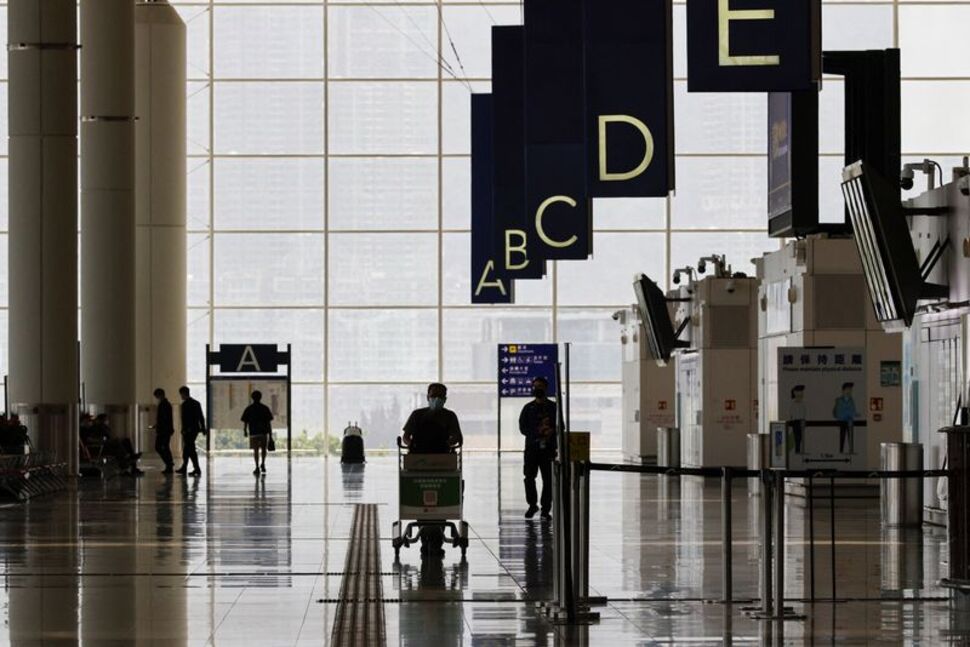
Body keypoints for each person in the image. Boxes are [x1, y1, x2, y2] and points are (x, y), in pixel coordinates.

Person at [402, 383, 463, 557]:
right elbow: (406, 436)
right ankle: (426, 538)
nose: (436, 399)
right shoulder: (417, 415)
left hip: (443, 461)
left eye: (440, 396)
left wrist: (448, 443)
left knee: (441, 500)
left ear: (445, 398)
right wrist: (411, 444)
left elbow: (457, 437)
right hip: (419, 462)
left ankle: (435, 538)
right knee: (421, 501)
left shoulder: (450, 416)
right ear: (428, 396)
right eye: (433, 395)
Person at [519, 376, 557, 520]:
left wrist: (550, 434)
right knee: (529, 478)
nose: (537, 389)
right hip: (532, 449)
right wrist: (537, 433)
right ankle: (532, 504)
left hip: (548, 449)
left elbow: (560, 427)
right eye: (535, 386)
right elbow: (522, 428)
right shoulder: (528, 408)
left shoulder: (553, 408)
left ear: (546, 388)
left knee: (548, 480)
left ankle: (546, 509)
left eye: (540, 386)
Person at [241, 390, 273, 475]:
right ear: (260, 397)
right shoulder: (265, 408)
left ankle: (256, 467)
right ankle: (263, 463)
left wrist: (245, 430)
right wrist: (270, 434)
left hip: (253, 432)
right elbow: (268, 423)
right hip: (263, 432)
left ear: (252, 398)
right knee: (263, 449)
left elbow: (245, 421)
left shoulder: (249, 409)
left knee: (255, 450)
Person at [176, 386, 206, 477]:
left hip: (188, 430)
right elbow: (201, 417)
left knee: (190, 449)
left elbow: (185, 419)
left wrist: (184, 429)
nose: (181, 396)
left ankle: (195, 468)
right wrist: (203, 428)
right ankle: (189, 467)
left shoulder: (185, 405)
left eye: (181, 394)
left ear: (183, 393)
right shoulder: (197, 403)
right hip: (195, 429)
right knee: (188, 449)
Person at [152, 388, 175, 474]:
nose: (156, 398)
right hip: (166, 430)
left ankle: (169, 463)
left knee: (159, 447)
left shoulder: (163, 405)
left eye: (156, 396)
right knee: (165, 447)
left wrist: (159, 426)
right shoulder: (166, 404)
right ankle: (169, 464)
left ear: (160, 395)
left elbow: (164, 419)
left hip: (163, 431)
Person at [833, 382, 858, 454]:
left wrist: (853, 415)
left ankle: (851, 450)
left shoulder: (851, 400)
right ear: (843, 390)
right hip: (842, 421)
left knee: (850, 436)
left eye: (850, 390)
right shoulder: (839, 400)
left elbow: (853, 410)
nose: (849, 391)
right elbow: (839, 412)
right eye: (848, 389)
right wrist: (847, 414)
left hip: (850, 421)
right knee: (842, 436)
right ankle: (841, 451)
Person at [787, 385, 807, 454]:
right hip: (795, 422)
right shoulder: (792, 404)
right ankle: (797, 451)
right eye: (799, 392)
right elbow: (791, 414)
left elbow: (804, 413)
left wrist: (803, 420)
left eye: (802, 392)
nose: (801, 393)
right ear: (795, 392)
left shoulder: (803, 403)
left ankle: (798, 451)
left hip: (801, 421)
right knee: (797, 437)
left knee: (800, 437)